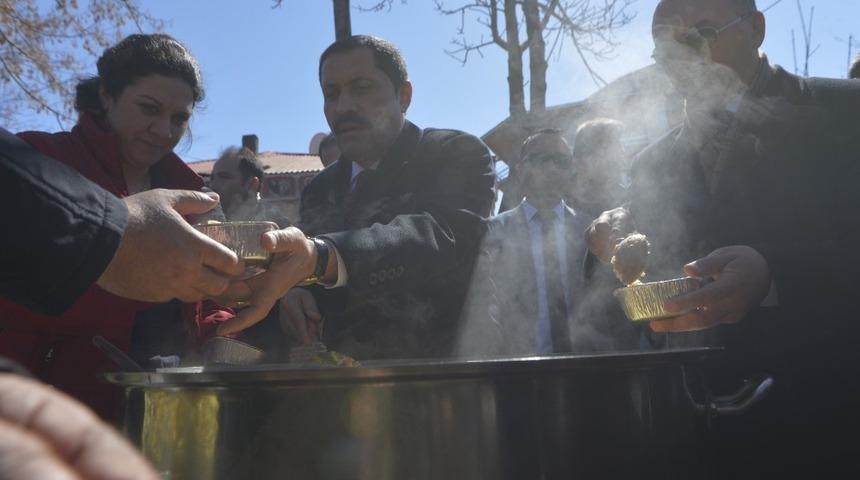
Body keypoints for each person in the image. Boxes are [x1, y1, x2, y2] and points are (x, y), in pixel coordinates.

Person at [586, 0, 860, 476]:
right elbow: (627, 295)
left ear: (756, 29)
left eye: (701, 34)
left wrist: (774, 275)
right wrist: (607, 245)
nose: (681, 56)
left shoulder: (843, 111)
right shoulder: (652, 163)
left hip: (829, 421)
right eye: (665, 45)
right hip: (699, 432)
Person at [217, 35, 495, 360]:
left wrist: (322, 257)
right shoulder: (320, 188)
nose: (344, 107)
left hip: (450, 373)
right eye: (331, 93)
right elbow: (311, 269)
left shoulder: (456, 153)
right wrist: (296, 293)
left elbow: (442, 235)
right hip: (345, 381)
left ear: (403, 96)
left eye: (361, 88)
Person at [0, 33, 230, 418]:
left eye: (179, 118)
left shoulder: (192, 195)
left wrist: (232, 320)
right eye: (149, 108)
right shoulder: (38, 161)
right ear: (107, 95)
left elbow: (203, 306)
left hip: (164, 414)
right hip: (46, 413)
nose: (164, 131)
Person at [457, 130, 593, 356]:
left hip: (587, 366)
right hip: (518, 366)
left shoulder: (589, 230)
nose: (552, 168)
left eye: (561, 161)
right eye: (541, 159)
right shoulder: (492, 231)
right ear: (520, 169)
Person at [209, 146, 292, 226]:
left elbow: (293, 232)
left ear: (252, 184)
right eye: (212, 178)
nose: (212, 186)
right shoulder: (209, 219)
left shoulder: (271, 222)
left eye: (224, 177)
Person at [570, 118, 627, 218]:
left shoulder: (624, 197)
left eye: (620, 145)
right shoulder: (560, 201)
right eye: (614, 144)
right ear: (586, 156)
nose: (622, 152)